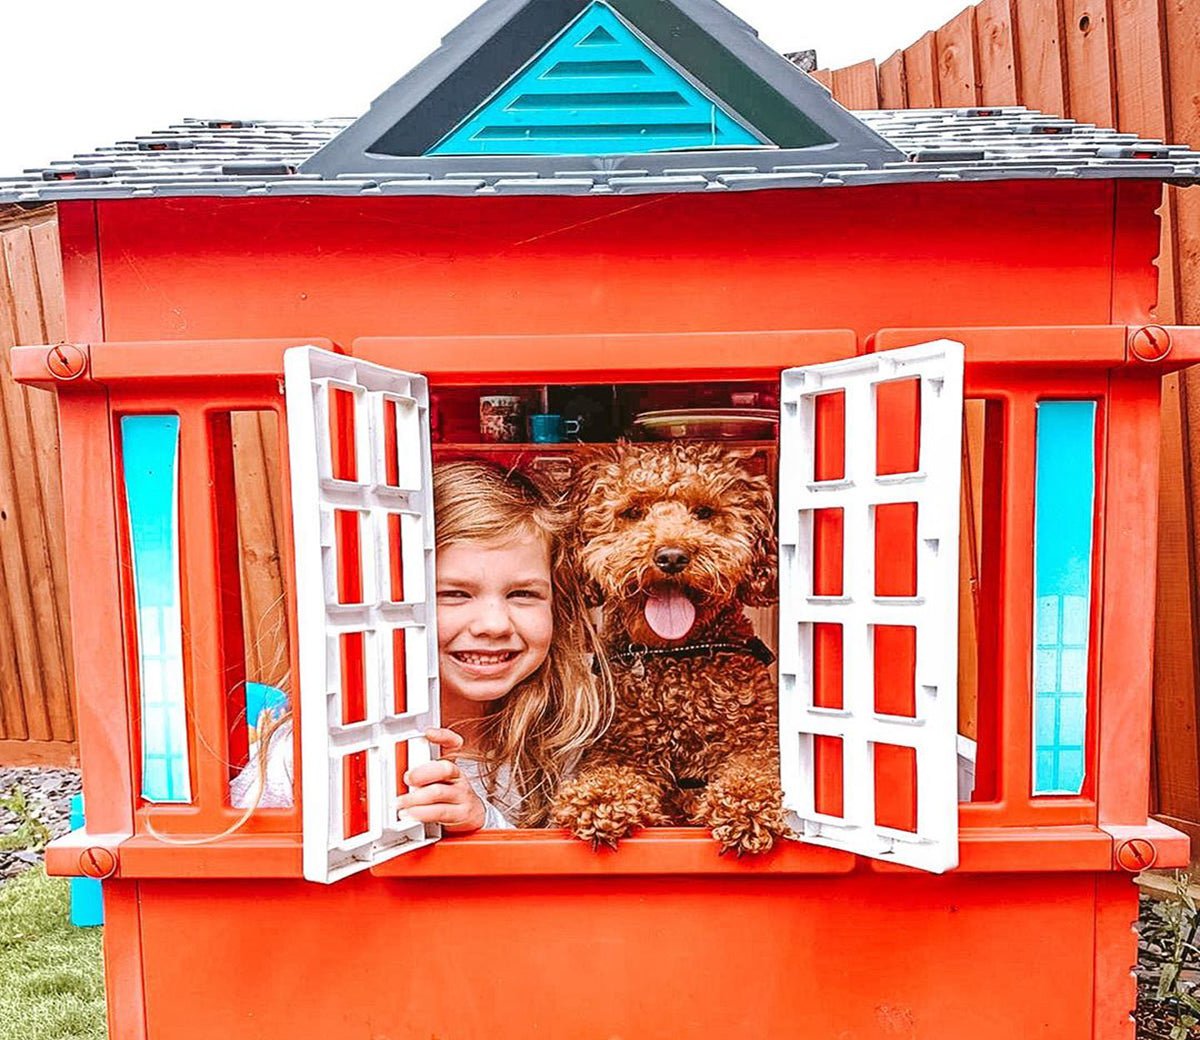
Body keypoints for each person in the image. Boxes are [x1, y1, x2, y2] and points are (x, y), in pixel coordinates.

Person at [231, 460, 611, 832]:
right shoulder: (316, 743)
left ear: (557, 604)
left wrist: (484, 826)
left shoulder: (574, 736)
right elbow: (242, 856)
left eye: (523, 594)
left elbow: (574, 887)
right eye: (454, 594)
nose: (493, 624)